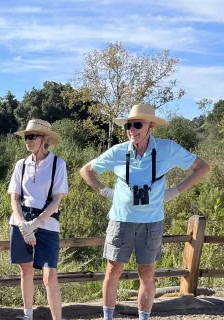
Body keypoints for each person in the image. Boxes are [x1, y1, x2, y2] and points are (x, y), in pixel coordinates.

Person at [79, 104, 210, 320]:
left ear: (151, 126)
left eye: (137, 124)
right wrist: (106, 192)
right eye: (128, 125)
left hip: (152, 221)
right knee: (113, 269)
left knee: (147, 272)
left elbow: (202, 167)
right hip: (121, 219)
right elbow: (86, 170)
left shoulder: (167, 149)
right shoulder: (119, 151)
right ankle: (108, 317)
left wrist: (175, 192)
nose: (131, 129)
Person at [8, 119, 68, 320]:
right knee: (25, 271)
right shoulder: (21, 164)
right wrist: (24, 224)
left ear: (45, 139)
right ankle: (27, 315)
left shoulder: (58, 164)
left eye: (32, 136)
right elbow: (14, 197)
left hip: (48, 223)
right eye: (26, 136)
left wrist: (36, 223)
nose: (28, 140)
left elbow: (56, 200)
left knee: (49, 275)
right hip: (21, 222)